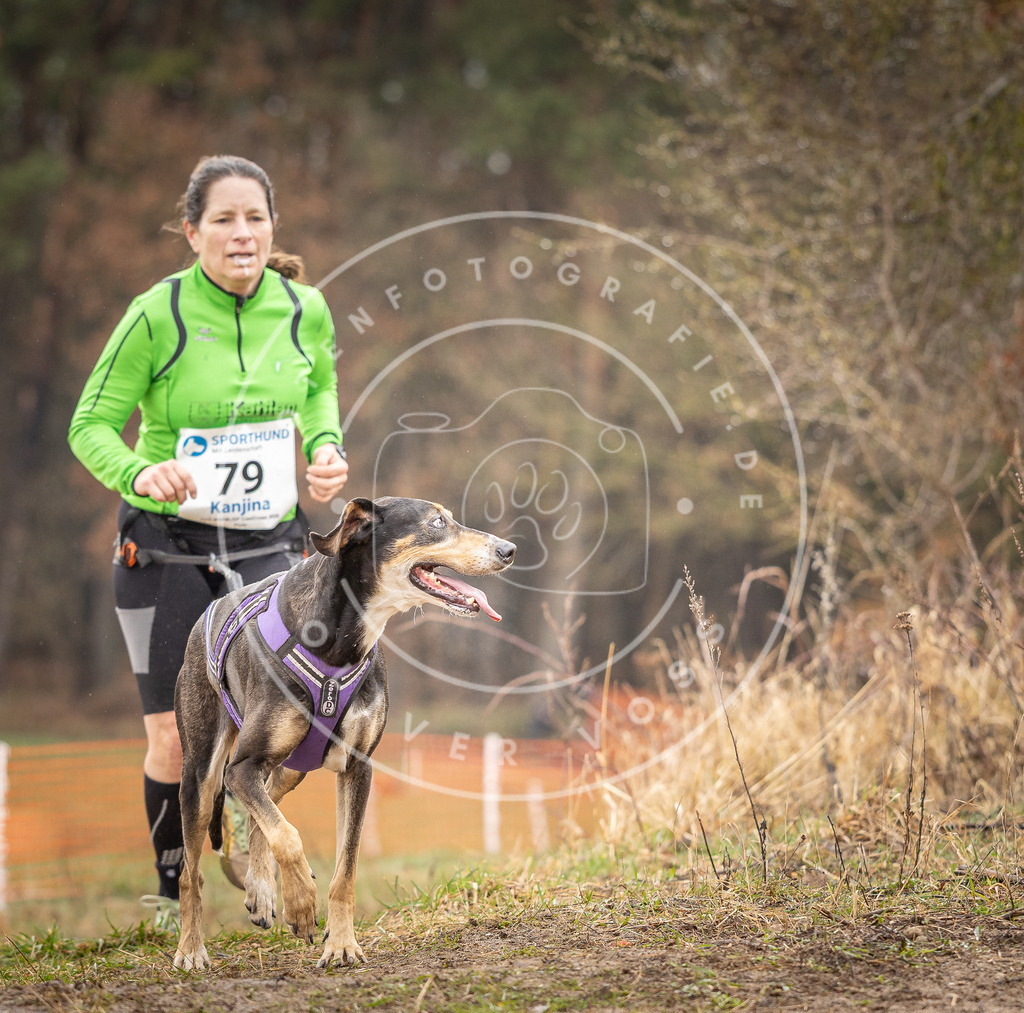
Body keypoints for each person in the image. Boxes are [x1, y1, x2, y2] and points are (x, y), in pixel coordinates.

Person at [68, 155, 349, 926]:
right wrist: (138, 472)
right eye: (222, 219)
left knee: (281, 724)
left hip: (269, 548)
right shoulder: (156, 314)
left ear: (272, 227)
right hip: (166, 550)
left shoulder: (305, 309)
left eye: (254, 217)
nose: (241, 233)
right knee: (172, 736)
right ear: (192, 232)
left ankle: (253, 854)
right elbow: (88, 425)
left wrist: (324, 447)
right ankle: (171, 891)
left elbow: (318, 391)